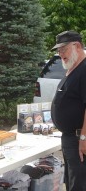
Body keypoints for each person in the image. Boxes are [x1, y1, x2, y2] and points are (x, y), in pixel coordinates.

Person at [51, 30, 86, 191]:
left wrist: (84, 138)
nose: (60, 54)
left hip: (79, 139)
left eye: (63, 49)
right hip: (71, 138)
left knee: (78, 183)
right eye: (58, 50)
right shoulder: (74, 68)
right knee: (71, 180)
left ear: (77, 46)